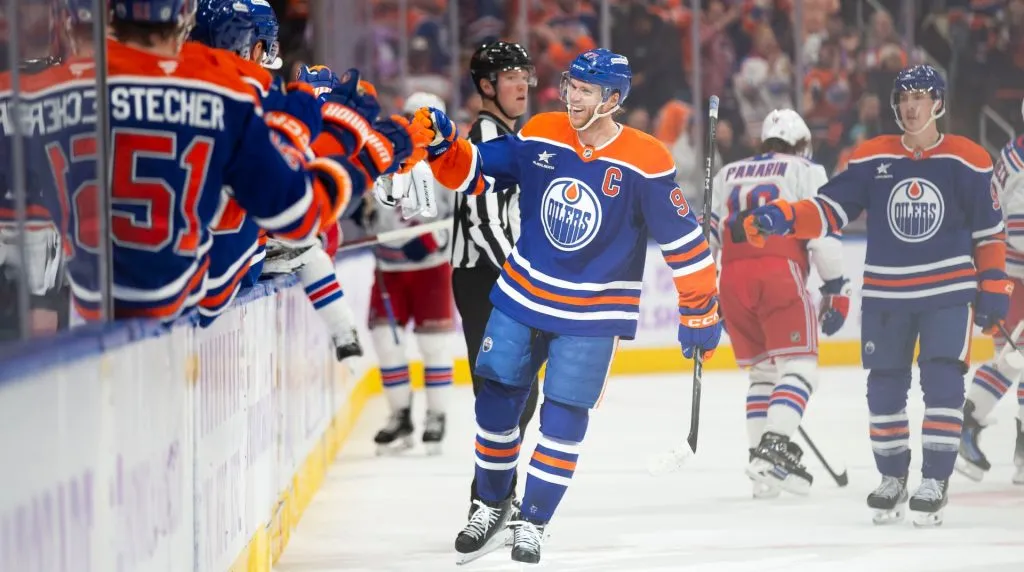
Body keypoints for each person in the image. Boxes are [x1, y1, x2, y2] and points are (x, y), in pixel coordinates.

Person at [416, 48, 722, 564]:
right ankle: (490, 505)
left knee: (562, 419)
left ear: (614, 99)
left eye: (586, 89)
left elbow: (685, 243)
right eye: (571, 85)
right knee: (494, 401)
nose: (573, 96)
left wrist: (700, 310)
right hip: (522, 294)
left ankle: (532, 521)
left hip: (592, 314)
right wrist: (445, 145)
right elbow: (476, 172)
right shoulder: (541, 131)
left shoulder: (646, 159)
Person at [27, 0, 423, 323]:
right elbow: (300, 213)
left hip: (77, 329)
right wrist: (361, 149)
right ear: (183, 15)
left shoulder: (48, 87)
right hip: (186, 317)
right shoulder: (223, 93)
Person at [742, 64, 1009, 526]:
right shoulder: (871, 158)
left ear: (938, 103)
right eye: (904, 98)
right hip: (887, 295)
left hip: (947, 293)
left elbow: (990, 232)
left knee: (943, 386)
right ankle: (892, 476)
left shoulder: (969, 158)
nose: (911, 106)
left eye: (921, 97)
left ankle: (935, 479)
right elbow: (829, 209)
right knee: (884, 390)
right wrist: (785, 215)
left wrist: (993, 283)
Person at [189, 0, 363, 360]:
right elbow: (291, 199)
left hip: (163, 269)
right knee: (306, 247)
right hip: (226, 265)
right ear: (249, 45)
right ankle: (344, 333)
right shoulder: (253, 96)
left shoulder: (173, 84)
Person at [710, 108, 848, 498]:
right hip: (778, 268)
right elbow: (821, 230)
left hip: (732, 277)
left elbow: (709, 236)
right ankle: (773, 451)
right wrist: (836, 284)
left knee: (763, 375)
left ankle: (762, 468)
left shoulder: (726, 173)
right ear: (802, 143)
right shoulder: (807, 169)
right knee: (802, 367)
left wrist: (706, 291)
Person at [452, 40, 541, 516]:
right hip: (487, 281)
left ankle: (493, 497)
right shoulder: (485, 139)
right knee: (505, 395)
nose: (522, 83)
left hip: (497, 280)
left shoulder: (508, 137)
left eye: (524, 74)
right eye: (510, 76)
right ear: (487, 86)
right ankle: (487, 500)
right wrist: (523, 281)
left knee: (517, 394)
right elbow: (484, 224)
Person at [365, 91, 457, 455]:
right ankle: (400, 415)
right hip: (389, 267)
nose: (415, 127)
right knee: (385, 341)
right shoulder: (385, 158)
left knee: (433, 345)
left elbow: (459, 214)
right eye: (409, 117)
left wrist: (433, 239)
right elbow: (372, 202)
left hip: (430, 268)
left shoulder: (450, 163)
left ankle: (436, 416)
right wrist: (365, 213)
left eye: (424, 119)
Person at [957, 97, 1024, 486]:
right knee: (1012, 360)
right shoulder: (1018, 160)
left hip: (1007, 273)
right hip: (1014, 277)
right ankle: (967, 425)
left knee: (1016, 360)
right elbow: (1013, 226)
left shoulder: (1012, 155)